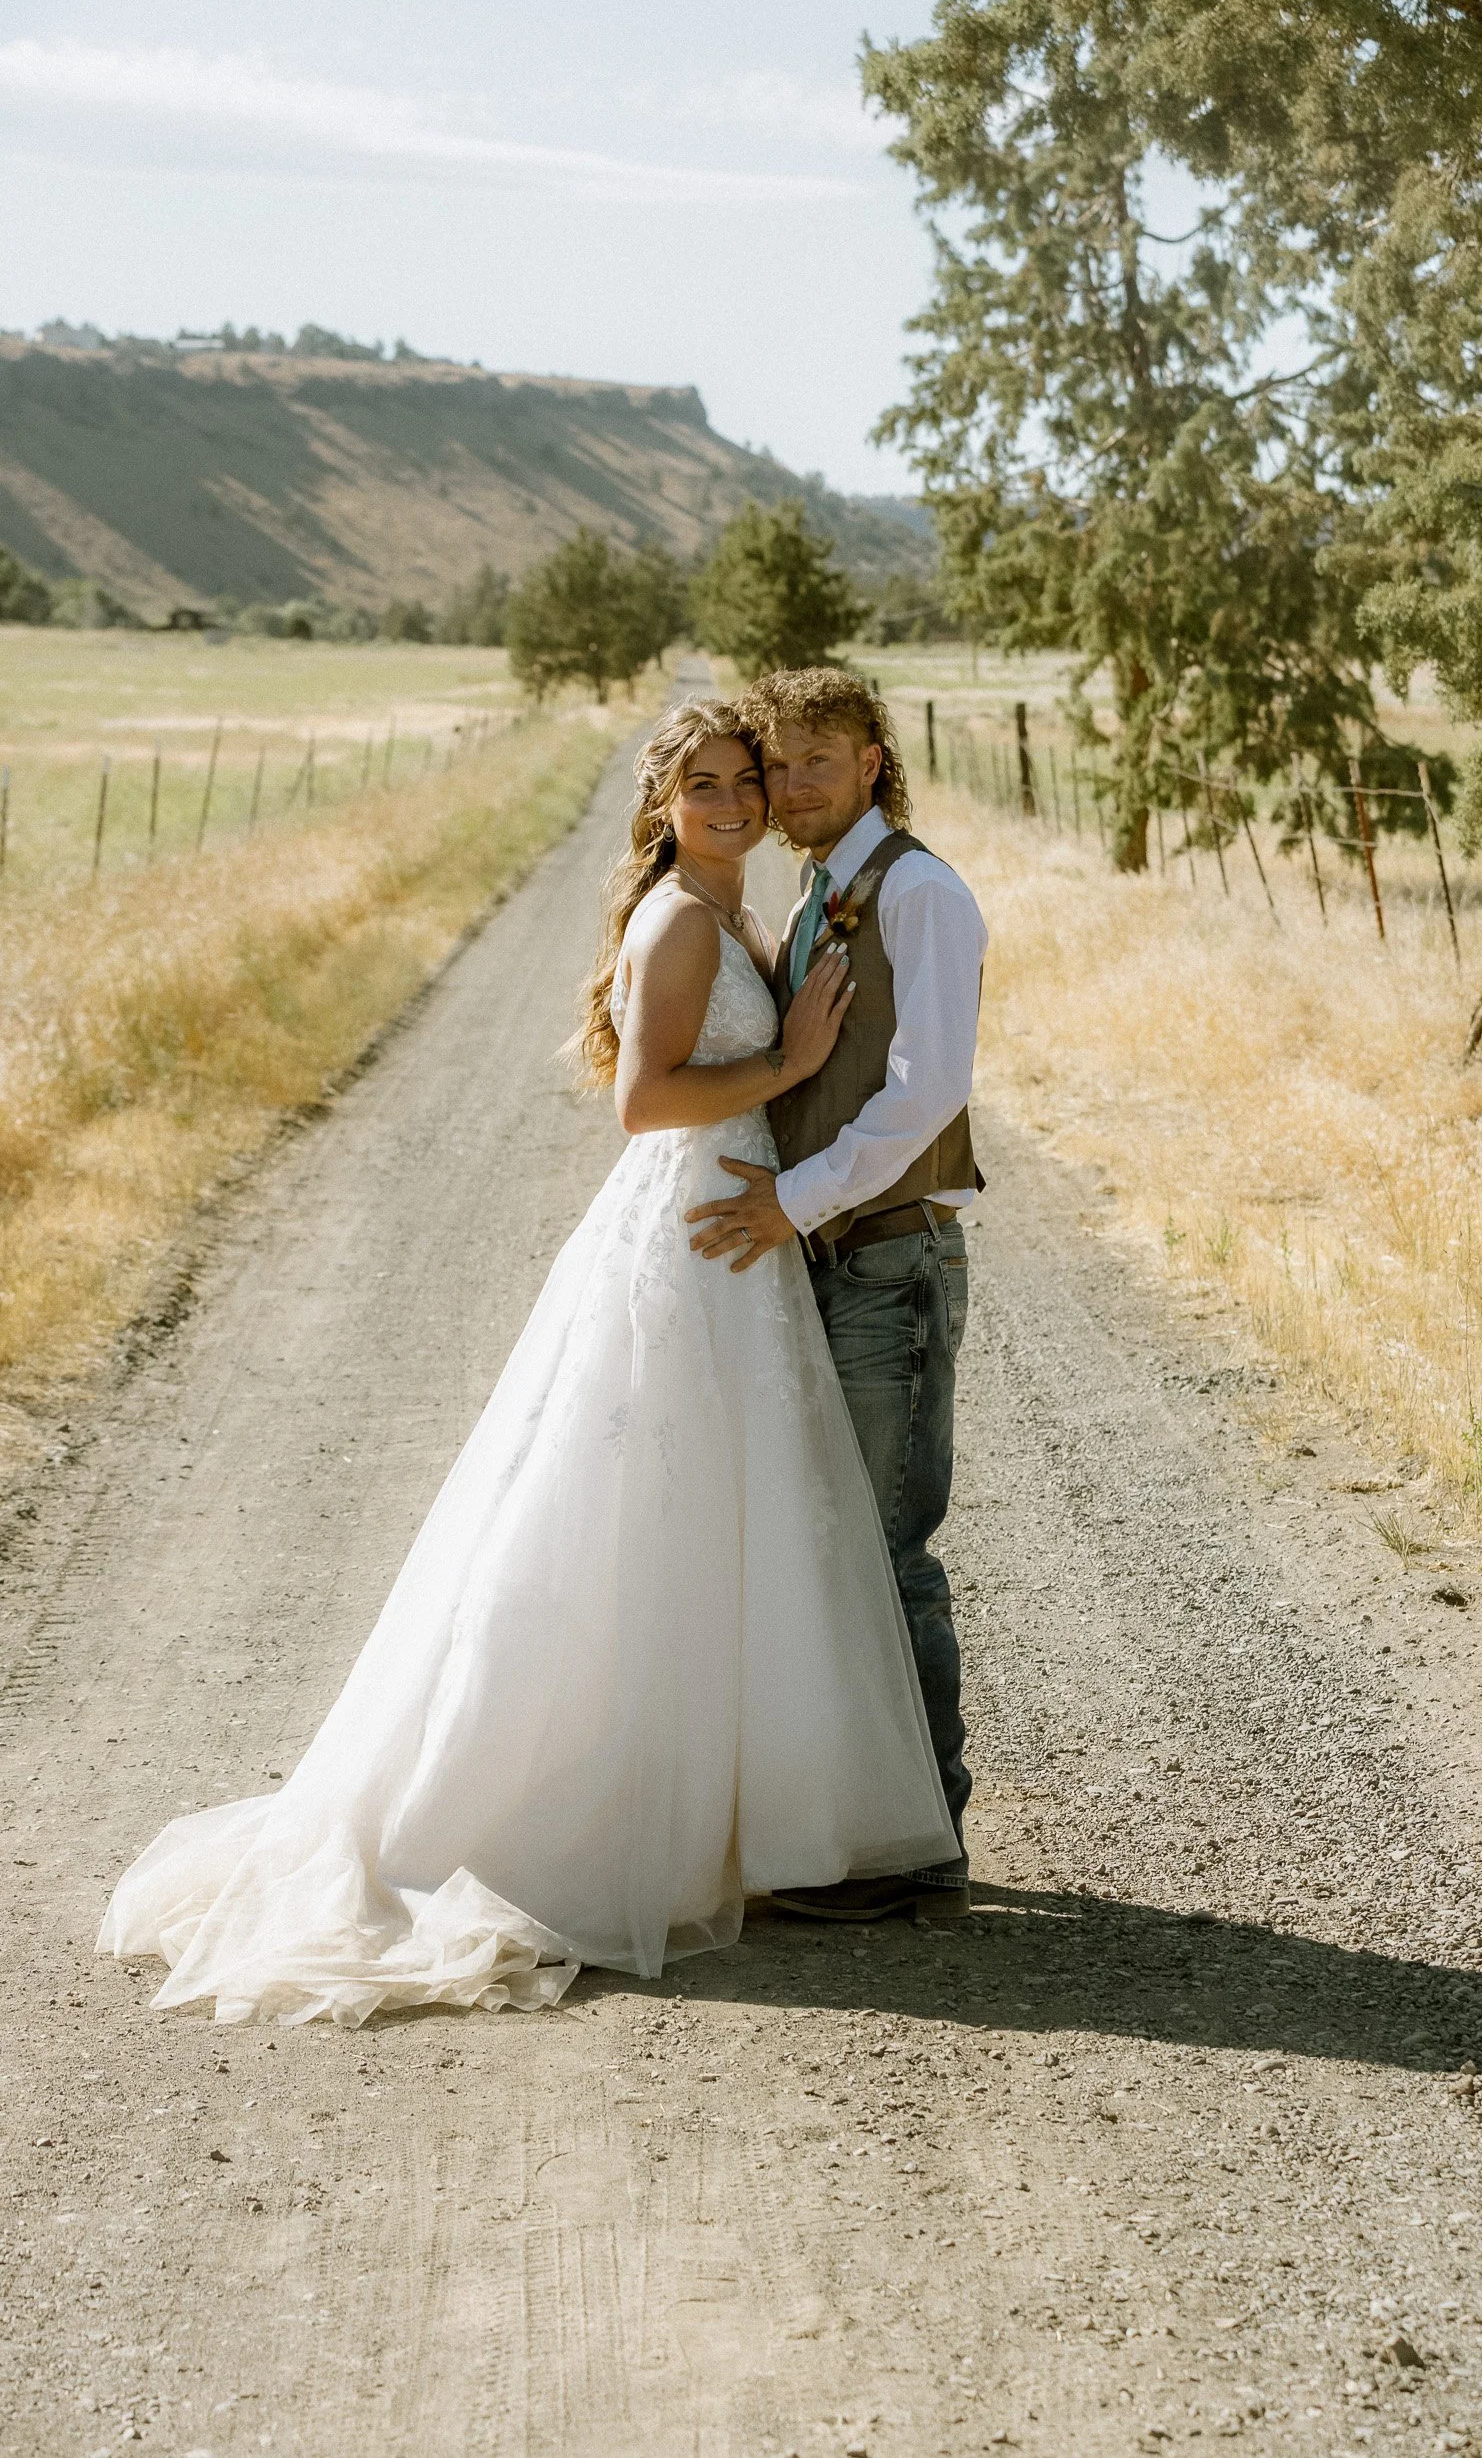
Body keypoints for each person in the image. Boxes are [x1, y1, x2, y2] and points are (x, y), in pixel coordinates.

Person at [97, 701, 956, 2025]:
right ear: (662, 806)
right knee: (639, 1512)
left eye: (747, 780)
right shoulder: (682, 919)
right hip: (687, 1226)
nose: (735, 801)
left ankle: (756, 1812)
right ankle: (576, 1813)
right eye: (707, 785)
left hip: (733, 1232)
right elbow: (641, 1101)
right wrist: (784, 1059)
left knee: (727, 1523)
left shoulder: (733, 914)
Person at [687, 669, 985, 1923]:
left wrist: (791, 1200)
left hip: (889, 1255)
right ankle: (869, 1823)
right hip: (833, 1257)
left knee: (889, 1554)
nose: (790, 787)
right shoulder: (818, 890)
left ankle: (921, 1847)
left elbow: (923, 1094)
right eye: (778, 765)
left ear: (872, 761)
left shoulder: (918, 893)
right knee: (837, 1550)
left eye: (817, 762)